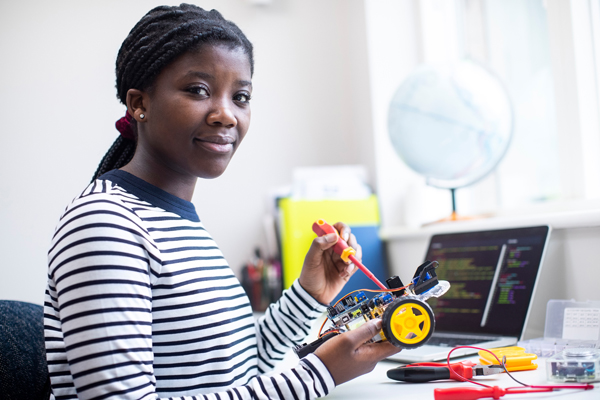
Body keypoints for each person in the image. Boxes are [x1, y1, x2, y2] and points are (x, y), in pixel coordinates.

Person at [43, 4, 400, 400]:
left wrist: (310, 293)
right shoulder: (105, 223)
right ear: (139, 104)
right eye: (198, 90)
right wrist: (319, 374)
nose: (226, 115)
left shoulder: (176, 223)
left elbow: (242, 368)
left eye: (241, 96)